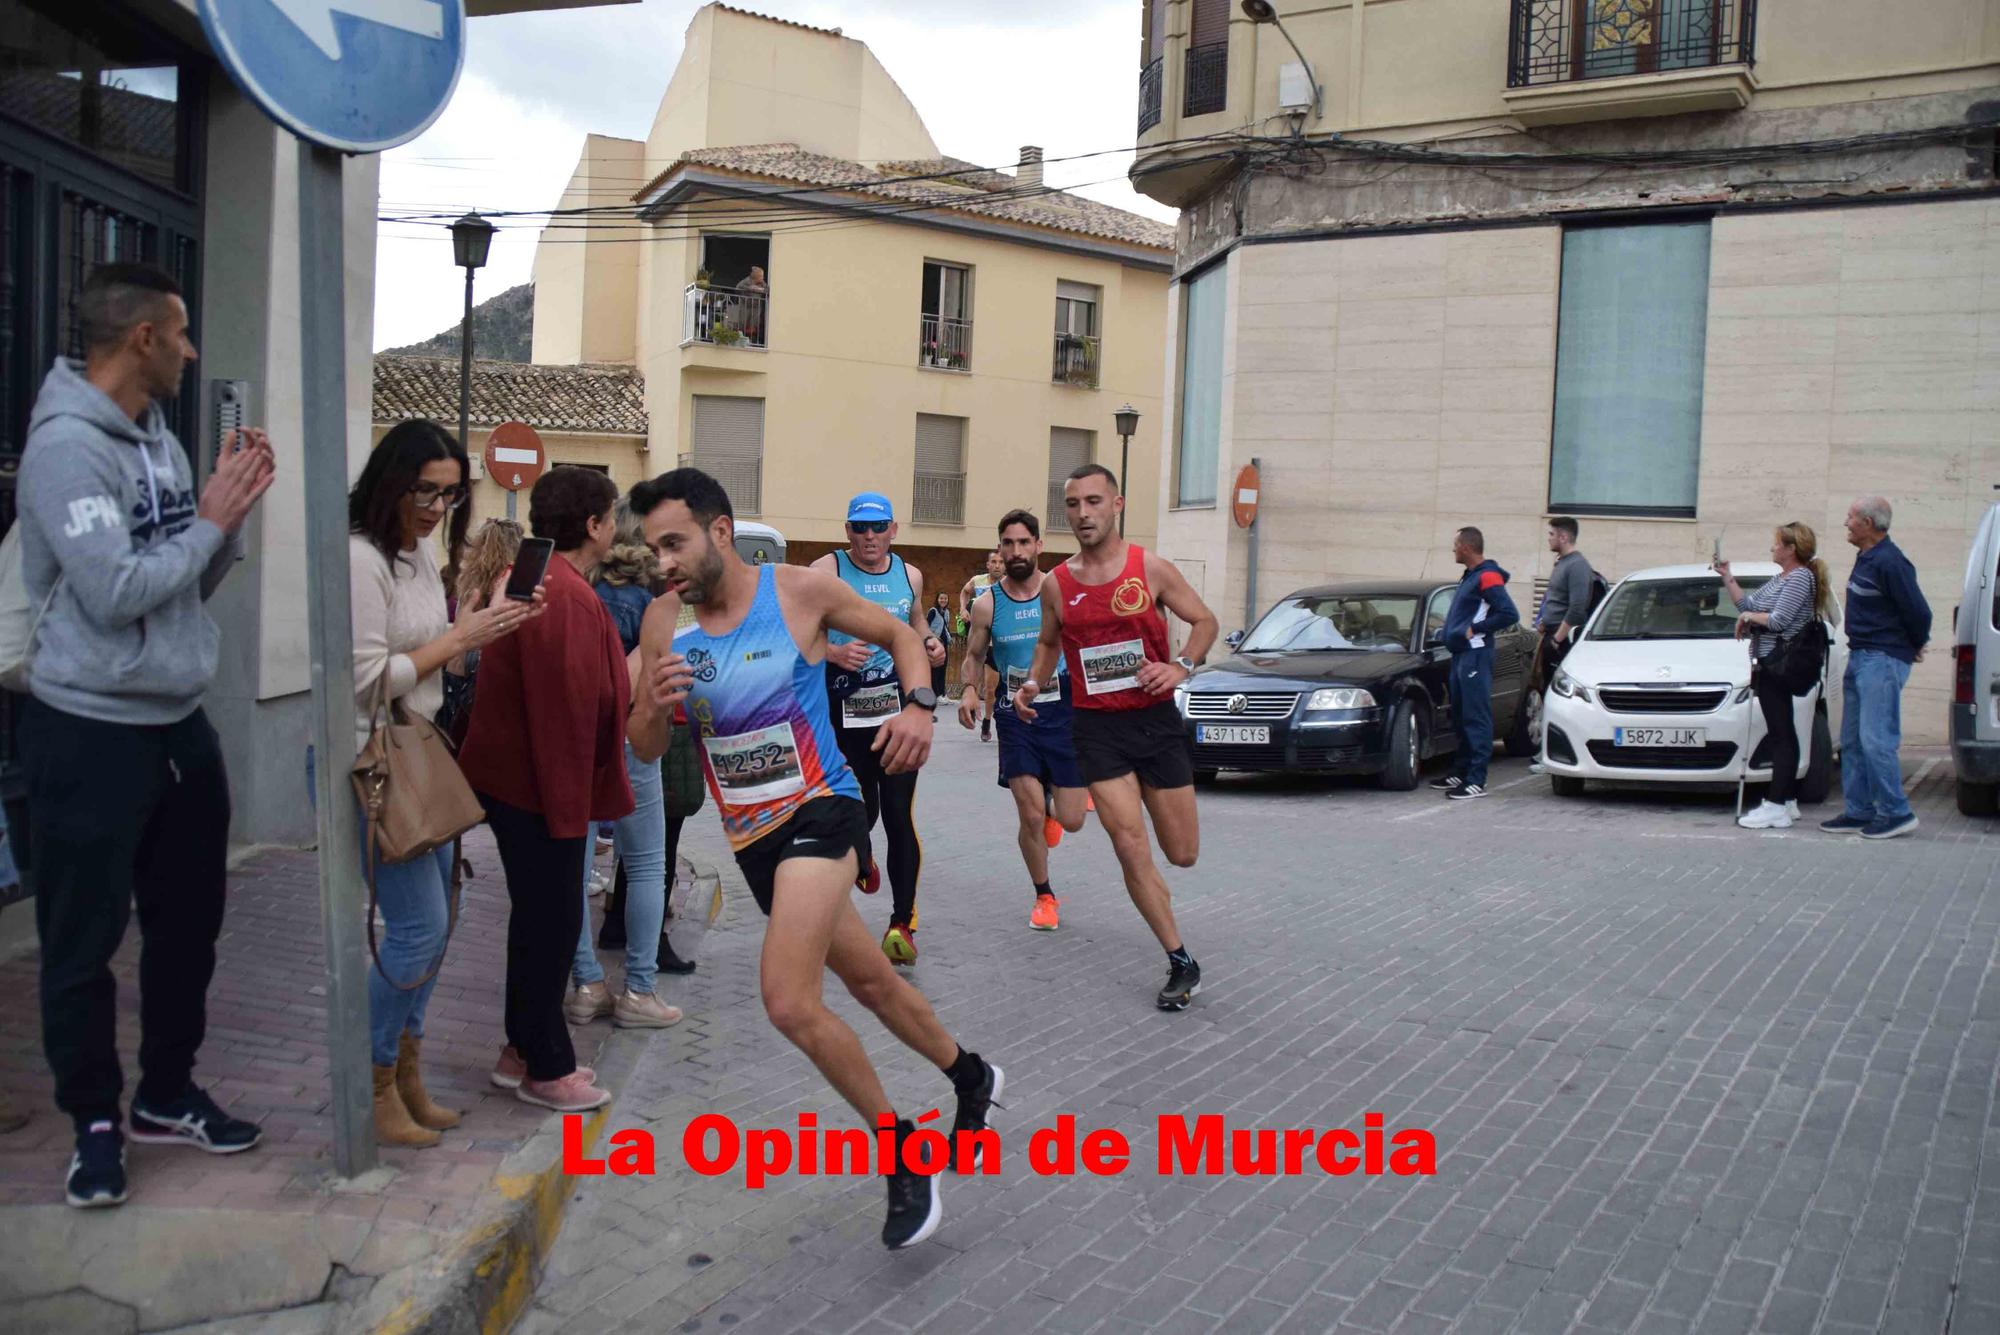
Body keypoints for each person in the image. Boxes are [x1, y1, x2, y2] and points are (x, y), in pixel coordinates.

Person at [626, 467, 999, 1250]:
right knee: (868, 981)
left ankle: (903, 1154)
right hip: (752, 841)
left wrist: (920, 706)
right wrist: (653, 708)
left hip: (823, 809)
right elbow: (644, 743)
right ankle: (971, 1074)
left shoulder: (796, 592)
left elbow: (902, 637)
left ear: (719, 532)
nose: (661, 561)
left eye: (673, 543)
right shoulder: (664, 622)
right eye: (651, 547)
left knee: (788, 1000)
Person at [17, 262, 274, 1207]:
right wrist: (207, 524)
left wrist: (228, 523)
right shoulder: (64, 450)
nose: (193, 350)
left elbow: (180, 582)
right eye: (182, 332)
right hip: (86, 730)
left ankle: (167, 1091)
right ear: (142, 341)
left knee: (189, 925)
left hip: (178, 727)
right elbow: (113, 590)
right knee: (82, 943)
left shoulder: (160, 439)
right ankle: (94, 1121)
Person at [348, 421, 537, 1146]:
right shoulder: (361, 559)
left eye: (449, 494)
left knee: (440, 922)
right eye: (424, 489)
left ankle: (405, 1073)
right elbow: (363, 680)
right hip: (366, 757)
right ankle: (369, 1077)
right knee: (418, 926)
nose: (434, 506)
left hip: (418, 750)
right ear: (391, 479)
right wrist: (455, 641)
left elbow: (440, 665)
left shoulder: (418, 556)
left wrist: (487, 630)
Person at [458, 467, 634, 1112]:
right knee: (553, 922)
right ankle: (545, 1066)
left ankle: (520, 1052)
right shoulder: (561, 593)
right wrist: (570, 811)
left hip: (528, 784)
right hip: (540, 789)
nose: (615, 526)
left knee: (539, 919)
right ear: (592, 525)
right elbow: (561, 712)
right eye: (611, 516)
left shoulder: (545, 576)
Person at [1016, 464, 1217, 1010]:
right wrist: (1032, 682)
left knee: (1182, 853)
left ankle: (1170, 915)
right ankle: (1179, 959)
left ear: (1117, 504)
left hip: (1154, 724)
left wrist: (1180, 667)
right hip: (1097, 729)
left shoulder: (1149, 569)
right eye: (1074, 504)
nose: (1083, 514)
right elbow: (1049, 642)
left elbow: (1205, 623)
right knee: (1129, 848)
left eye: (1094, 502)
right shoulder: (1057, 583)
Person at [564, 499, 687, 1030]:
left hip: (576, 737)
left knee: (574, 864)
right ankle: (639, 989)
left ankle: (586, 985)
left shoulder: (582, 586)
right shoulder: (655, 599)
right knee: (645, 865)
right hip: (634, 735)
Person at [809, 493, 946, 964]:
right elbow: (795, 626)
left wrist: (929, 642)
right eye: (860, 528)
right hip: (840, 715)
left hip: (894, 715)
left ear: (894, 530)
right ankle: (863, 861)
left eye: (878, 527)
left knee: (899, 814)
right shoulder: (826, 571)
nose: (870, 537)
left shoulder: (910, 574)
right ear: (847, 530)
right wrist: (832, 653)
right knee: (855, 813)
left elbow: (914, 620)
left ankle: (901, 924)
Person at [958, 510, 1086, 931]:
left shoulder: (1061, 591)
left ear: (1038, 545)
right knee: (1028, 815)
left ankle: (1055, 810)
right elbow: (974, 655)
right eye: (1007, 544)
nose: (1015, 551)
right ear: (999, 549)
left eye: (1023, 543)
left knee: (1072, 818)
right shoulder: (986, 603)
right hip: (1015, 716)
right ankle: (1044, 896)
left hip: (1061, 710)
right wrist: (971, 689)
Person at [1822, 496, 1932, 839]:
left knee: (1876, 739)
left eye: (1851, 517)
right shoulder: (1866, 557)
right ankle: (1859, 811)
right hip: (1860, 657)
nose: (1845, 523)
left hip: (1881, 660)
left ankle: (1896, 812)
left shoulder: (1891, 562)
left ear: (1868, 523)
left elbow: (1920, 613)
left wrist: (1910, 646)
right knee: (1852, 741)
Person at [1718, 523, 1832, 831]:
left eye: (1777, 543)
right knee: (1783, 730)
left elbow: (1779, 621)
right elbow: (1749, 605)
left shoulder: (1799, 577)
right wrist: (1727, 577)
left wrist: (1748, 619)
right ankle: (1787, 800)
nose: (1773, 548)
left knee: (1781, 733)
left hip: (1778, 663)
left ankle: (1776, 804)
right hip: (1767, 663)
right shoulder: (1781, 578)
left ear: (1791, 549)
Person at [1431, 527, 1519, 801]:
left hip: (1475, 654)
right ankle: (1461, 770)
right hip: (1461, 654)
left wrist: (1475, 628)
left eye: (1455, 545)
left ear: (1467, 548)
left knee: (1475, 716)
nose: (1453, 550)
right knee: (1460, 714)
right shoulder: (1470, 576)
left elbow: (1508, 613)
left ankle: (1476, 779)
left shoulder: (1488, 575)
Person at [438, 518, 524, 748]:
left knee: (454, 732)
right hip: (484, 662)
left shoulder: (469, 579)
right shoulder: (511, 579)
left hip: (457, 661)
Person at [959, 550, 1004, 742]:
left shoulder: (1009, 585)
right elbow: (964, 591)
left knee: (1001, 687)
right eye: (993, 561)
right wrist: (963, 608)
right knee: (990, 688)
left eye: (1001, 562)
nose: (997, 565)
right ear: (988, 565)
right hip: (982, 642)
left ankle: (1001, 718)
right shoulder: (978, 581)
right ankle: (987, 722)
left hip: (1001, 642)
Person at [925, 591, 953, 698]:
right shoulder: (933, 611)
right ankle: (935, 694)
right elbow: (926, 625)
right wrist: (932, 637)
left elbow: (945, 626)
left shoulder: (946, 612)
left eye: (945, 598)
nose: (943, 600)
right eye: (941, 598)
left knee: (943, 667)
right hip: (934, 643)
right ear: (937, 599)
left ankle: (942, 694)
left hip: (944, 643)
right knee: (935, 669)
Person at [733, 265, 768, 345]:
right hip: (745, 306)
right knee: (742, 323)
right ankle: (740, 341)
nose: (762, 278)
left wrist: (759, 289)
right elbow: (738, 287)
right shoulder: (747, 281)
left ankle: (752, 342)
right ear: (756, 276)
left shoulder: (762, 283)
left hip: (756, 308)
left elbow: (768, 290)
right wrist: (750, 288)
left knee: (754, 325)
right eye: (761, 276)